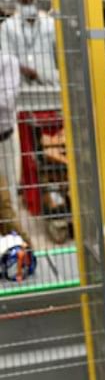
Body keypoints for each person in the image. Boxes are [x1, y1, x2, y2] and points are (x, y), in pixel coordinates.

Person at [0, 0, 59, 85]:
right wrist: (25, 71)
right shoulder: (8, 26)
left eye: (30, 0)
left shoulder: (50, 24)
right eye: (24, 1)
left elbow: (61, 52)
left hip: (50, 82)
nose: (28, 3)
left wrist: (41, 74)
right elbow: (7, 57)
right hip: (20, 85)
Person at [0, 50, 26, 240]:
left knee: (8, 204)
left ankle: (19, 248)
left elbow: (7, 101)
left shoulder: (8, 62)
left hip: (3, 142)